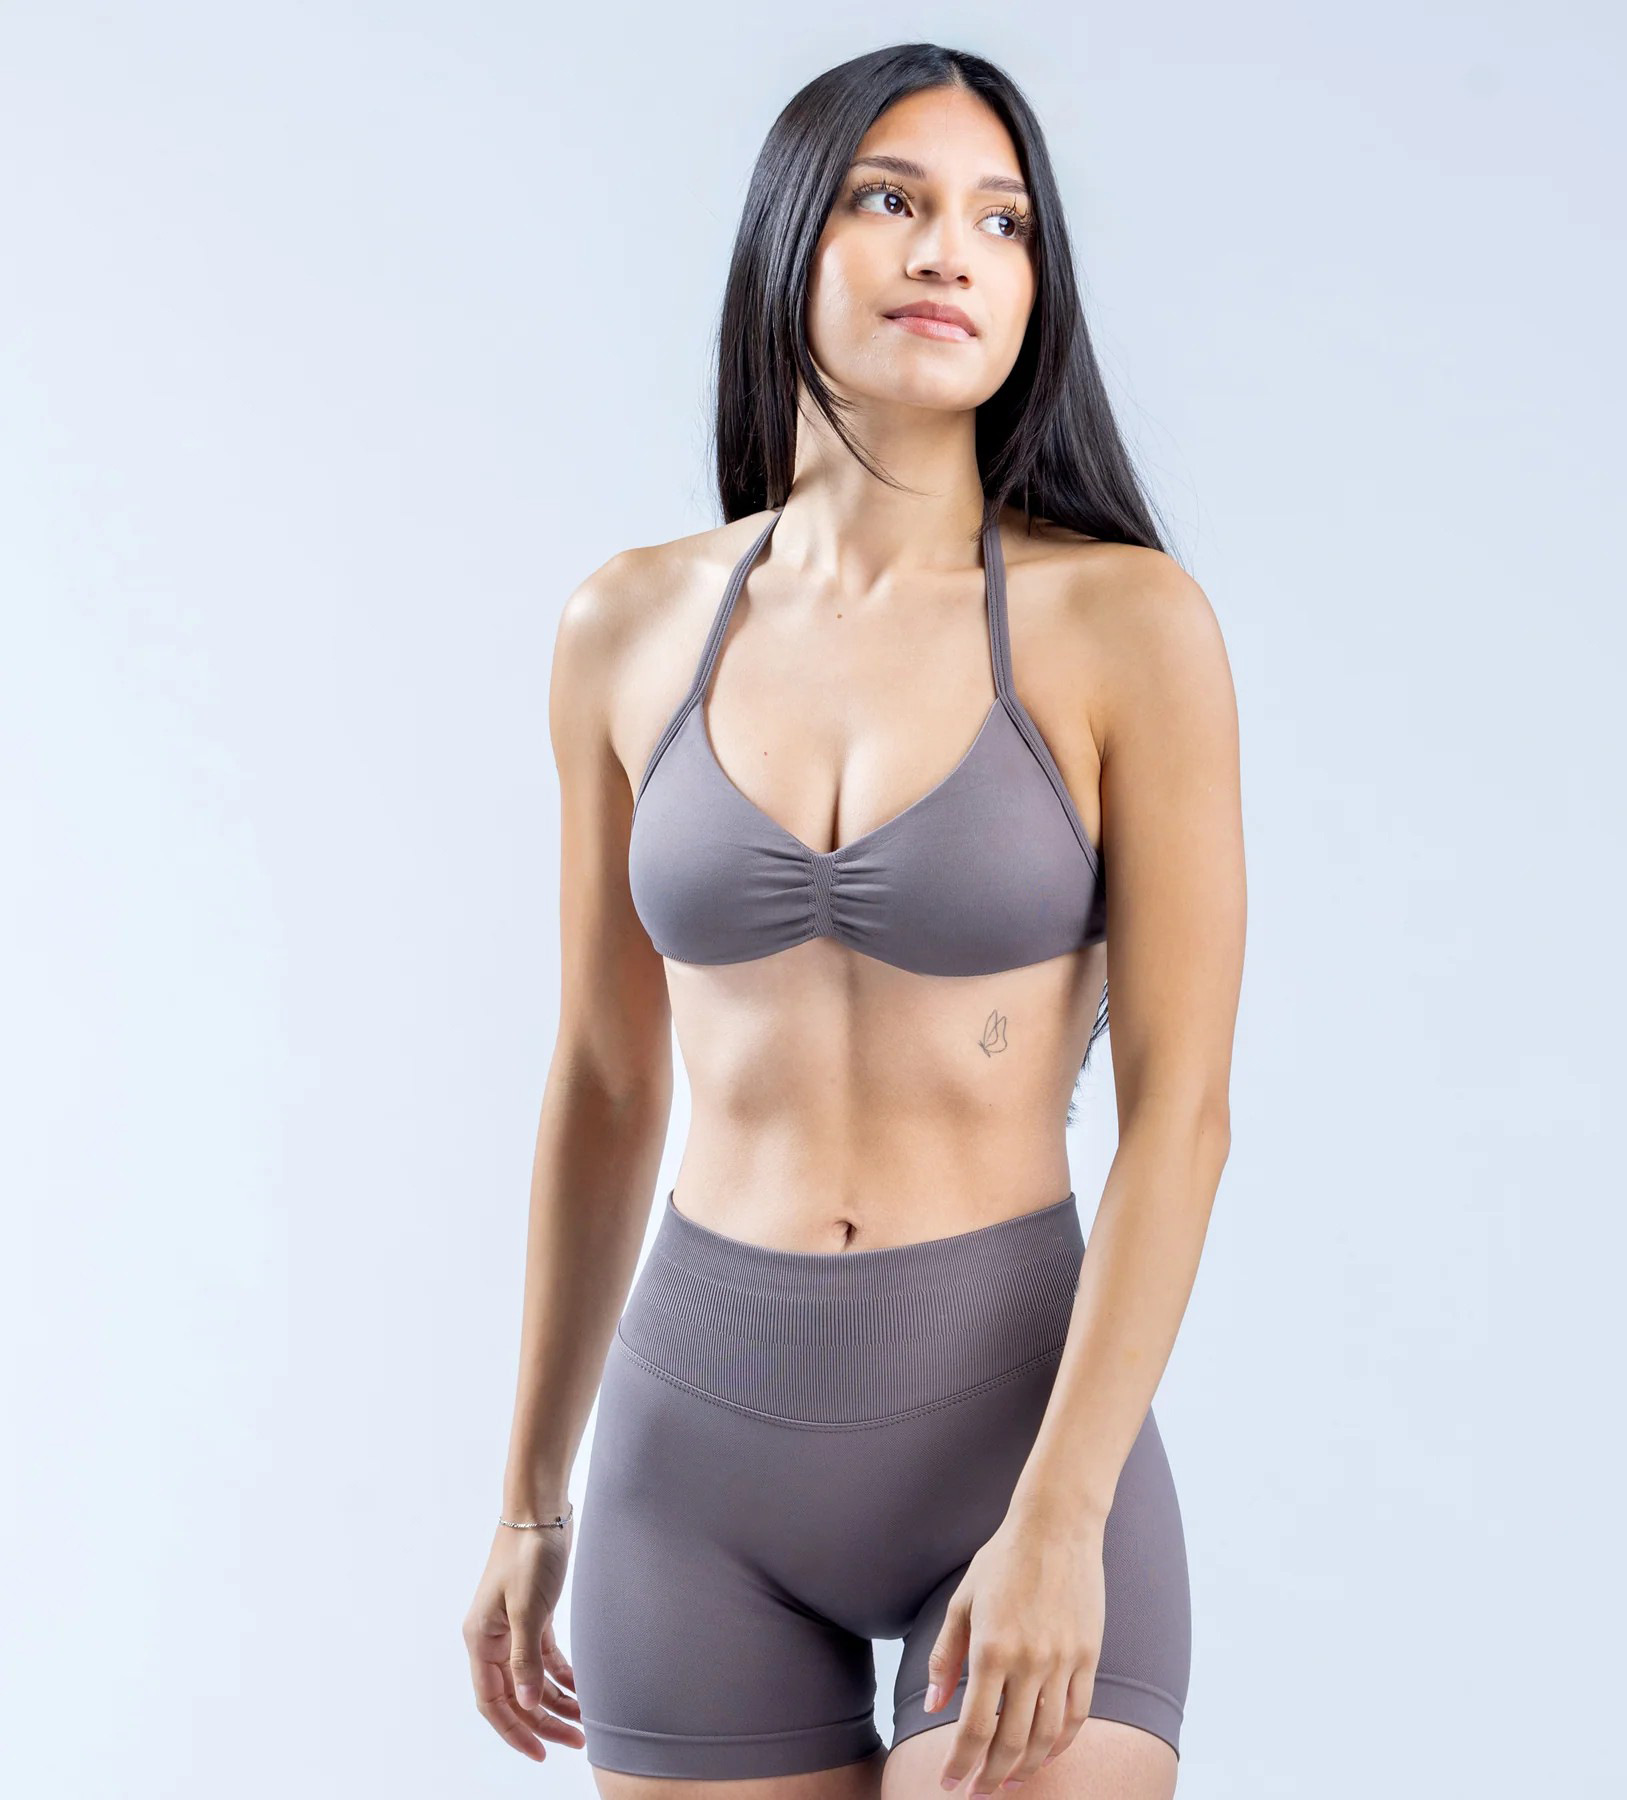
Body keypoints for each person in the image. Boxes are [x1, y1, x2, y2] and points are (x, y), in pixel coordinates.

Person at [463, 41, 1244, 1800]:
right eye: (893, 199)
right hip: (691, 1462)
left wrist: (1064, 1517)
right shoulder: (626, 627)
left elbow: (1182, 1114)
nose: (950, 251)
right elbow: (604, 1080)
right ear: (785, 239)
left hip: (1019, 1438)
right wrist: (528, 1496)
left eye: (1002, 221)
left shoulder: (1125, 627)